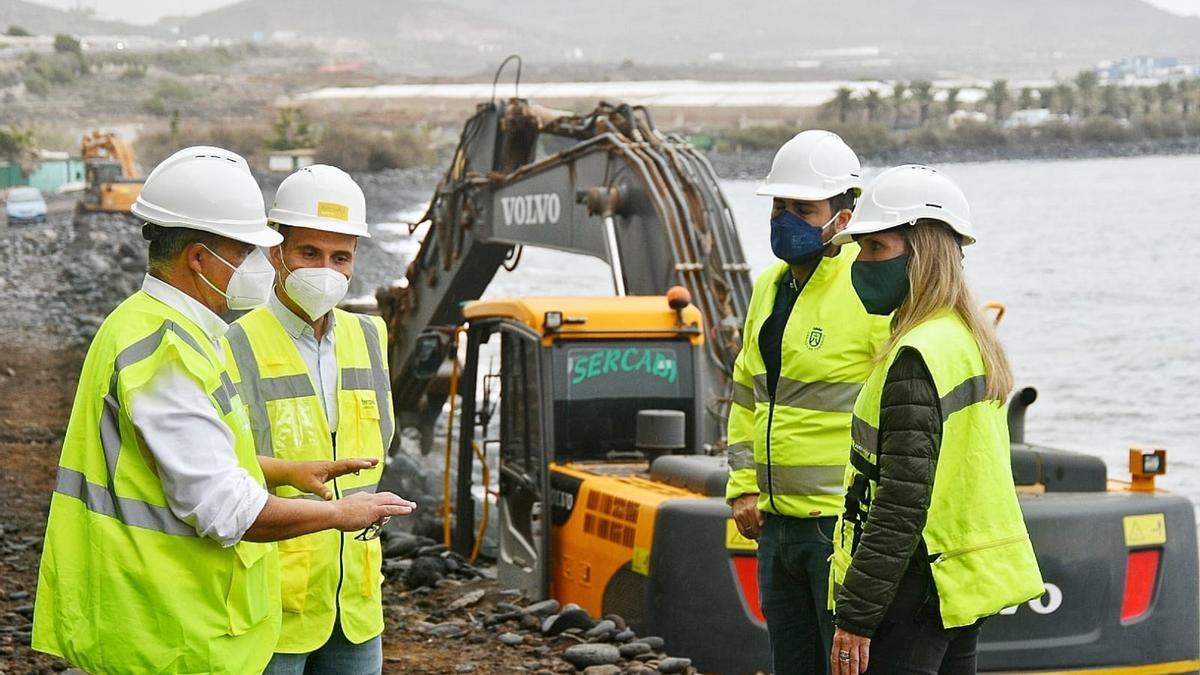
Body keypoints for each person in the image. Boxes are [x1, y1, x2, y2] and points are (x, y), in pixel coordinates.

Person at [31, 146, 415, 674]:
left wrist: (284, 471)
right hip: (171, 628)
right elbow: (225, 506)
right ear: (198, 257)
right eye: (246, 251)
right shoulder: (167, 352)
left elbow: (200, 460)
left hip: (214, 615)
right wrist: (339, 514)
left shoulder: (162, 331)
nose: (257, 265)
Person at [827, 165, 1044, 675]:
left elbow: (901, 498)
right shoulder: (964, 339)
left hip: (912, 584)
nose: (861, 262)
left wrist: (857, 615)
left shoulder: (915, 357)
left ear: (922, 254)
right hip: (958, 581)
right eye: (861, 248)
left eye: (876, 248)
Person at [724, 130, 892, 675]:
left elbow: (899, 410)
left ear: (844, 216)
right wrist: (743, 485)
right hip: (775, 526)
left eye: (803, 207)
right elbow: (747, 392)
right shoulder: (769, 287)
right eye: (780, 206)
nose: (785, 218)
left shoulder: (869, 290)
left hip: (838, 527)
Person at [222, 165, 393, 674]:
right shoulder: (235, 343)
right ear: (277, 251)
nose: (326, 270)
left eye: (340, 256)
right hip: (271, 603)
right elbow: (218, 467)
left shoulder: (371, 336)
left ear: (356, 258)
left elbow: (382, 445)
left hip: (355, 604)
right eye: (309, 253)